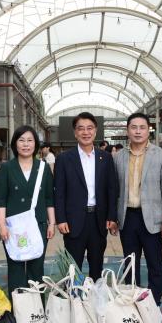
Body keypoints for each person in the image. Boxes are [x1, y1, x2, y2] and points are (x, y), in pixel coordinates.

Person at [114, 113, 162, 305]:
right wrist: (113, 217)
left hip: (153, 219)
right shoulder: (118, 157)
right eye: (134, 127)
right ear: (127, 131)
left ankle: (153, 304)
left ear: (149, 130)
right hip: (127, 218)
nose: (138, 131)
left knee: (154, 264)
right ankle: (132, 303)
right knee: (130, 264)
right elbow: (114, 189)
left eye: (142, 127)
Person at [54, 112, 117, 280]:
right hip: (73, 221)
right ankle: (73, 296)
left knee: (97, 266)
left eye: (89, 128)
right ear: (75, 133)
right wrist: (61, 219)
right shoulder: (64, 159)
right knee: (73, 269)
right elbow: (59, 192)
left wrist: (112, 216)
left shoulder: (106, 158)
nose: (85, 132)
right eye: (81, 128)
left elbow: (112, 189)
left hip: (98, 220)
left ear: (95, 131)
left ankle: (95, 295)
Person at [0, 126, 55, 295]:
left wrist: (52, 223)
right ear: (15, 144)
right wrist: (1, 225)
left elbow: (49, 198)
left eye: (30, 140)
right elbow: (1, 200)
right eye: (21, 140)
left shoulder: (43, 168)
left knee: (37, 268)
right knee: (15, 268)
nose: (26, 144)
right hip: (14, 228)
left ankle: (37, 308)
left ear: (35, 144)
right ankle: (19, 307)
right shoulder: (7, 168)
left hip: (39, 224)